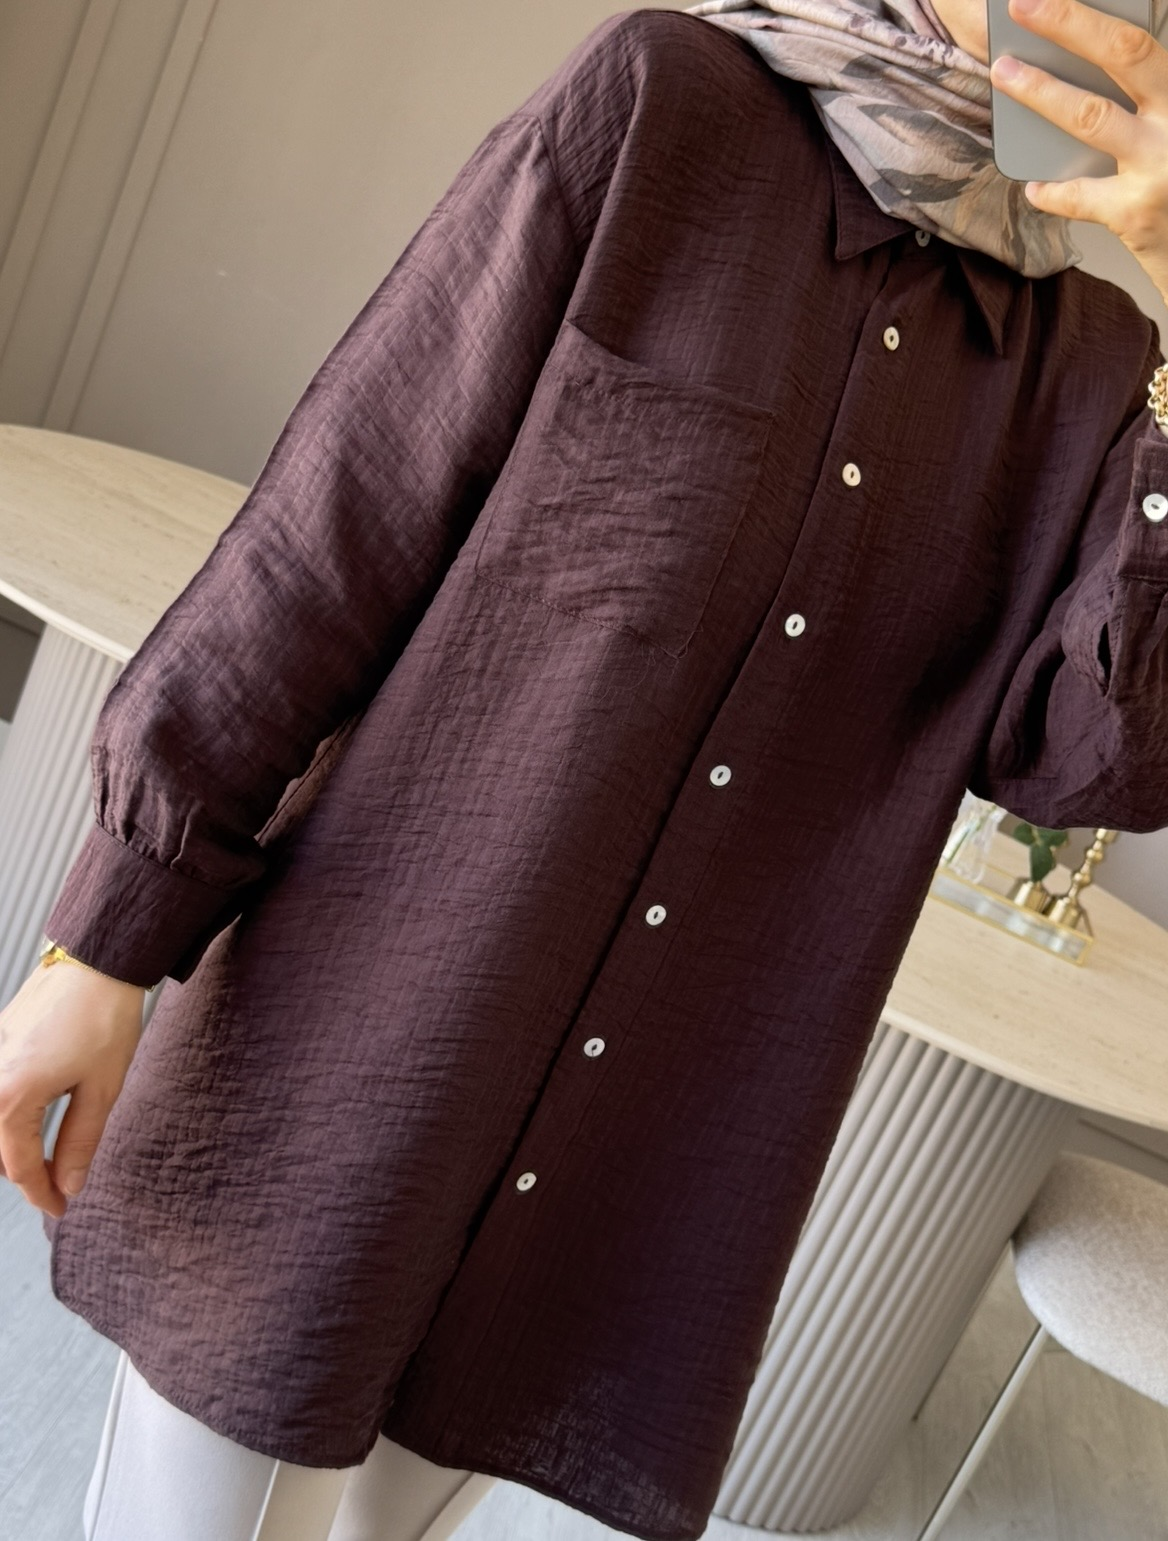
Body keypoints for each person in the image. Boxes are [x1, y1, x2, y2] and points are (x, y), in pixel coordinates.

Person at [3, 0, 1168, 1538]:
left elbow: (1090, 768)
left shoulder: (1095, 367)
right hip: (351, 1056)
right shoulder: (664, 109)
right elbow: (340, 527)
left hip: (633, 1158)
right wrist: (102, 946)